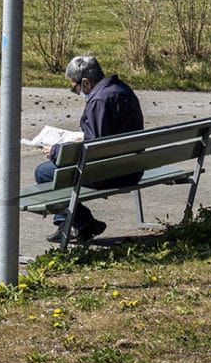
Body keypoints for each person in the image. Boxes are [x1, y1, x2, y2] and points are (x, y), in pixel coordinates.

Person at [35, 55, 145, 243]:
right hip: (132, 166)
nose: (76, 92)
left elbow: (93, 151)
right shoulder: (122, 89)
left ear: (85, 82)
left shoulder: (99, 101)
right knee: (58, 171)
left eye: (74, 87)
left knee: (44, 173)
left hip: (111, 173)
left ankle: (82, 223)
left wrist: (55, 152)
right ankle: (68, 224)